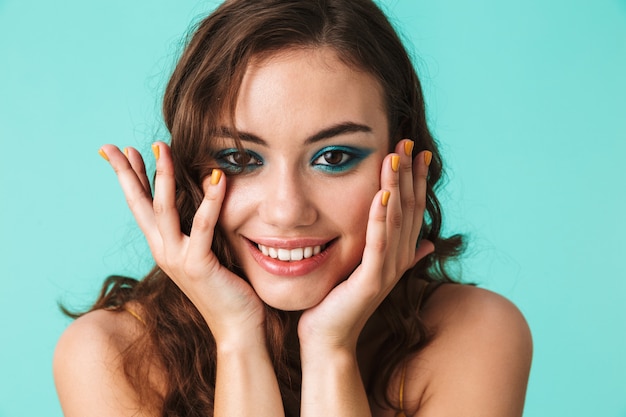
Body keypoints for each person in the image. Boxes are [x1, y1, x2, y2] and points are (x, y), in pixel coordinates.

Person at [53, 0, 532, 416]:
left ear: (401, 160)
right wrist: (238, 337)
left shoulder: (477, 332)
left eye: (334, 157)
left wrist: (331, 348)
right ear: (189, 170)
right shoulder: (109, 356)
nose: (286, 211)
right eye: (240, 159)